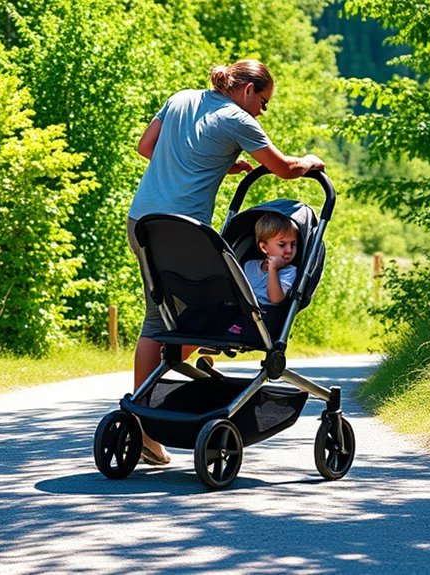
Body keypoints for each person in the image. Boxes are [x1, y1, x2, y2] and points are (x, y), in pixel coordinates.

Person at [128, 59, 325, 465]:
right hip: (186, 230)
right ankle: (182, 395)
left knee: (159, 317)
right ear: (249, 90)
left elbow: (146, 147)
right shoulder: (237, 119)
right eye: (264, 101)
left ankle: (145, 422)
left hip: (144, 224)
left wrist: (215, 161)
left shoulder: (182, 98)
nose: (262, 111)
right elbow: (285, 170)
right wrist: (308, 161)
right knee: (220, 303)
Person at [243, 213, 298, 306]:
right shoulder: (250, 265)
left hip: (264, 315)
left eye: (293, 244)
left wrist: (273, 269)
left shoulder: (289, 272)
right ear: (264, 248)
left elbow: (276, 299)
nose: (289, 250)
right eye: (282, 245)